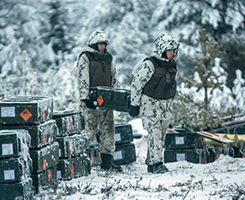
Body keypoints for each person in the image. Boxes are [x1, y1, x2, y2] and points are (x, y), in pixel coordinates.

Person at [129, 33, 180, 174]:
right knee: (154, 134)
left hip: (165, 106)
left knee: (161, 135)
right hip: (149, 105)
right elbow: (136, 84)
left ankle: (152, 163)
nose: (172, 53)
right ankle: (157, 163)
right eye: (169, 50)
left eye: (173, 51)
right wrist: (134, 104)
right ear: (162, 50)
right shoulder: (149, 64)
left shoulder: (172, 65)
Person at [77, 30, 122, 171]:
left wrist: (118, 95)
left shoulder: (108, 58)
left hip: (106, 99)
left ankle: (107, 162)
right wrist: (85, 97)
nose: (102, 47)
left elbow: (114, 77)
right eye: (100, 44)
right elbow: (82, 78)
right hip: (90, 99)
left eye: (104, 44)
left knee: (108, 130)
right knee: (89, 130)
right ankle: (80, 161)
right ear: (94, 44)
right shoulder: (86, 57)